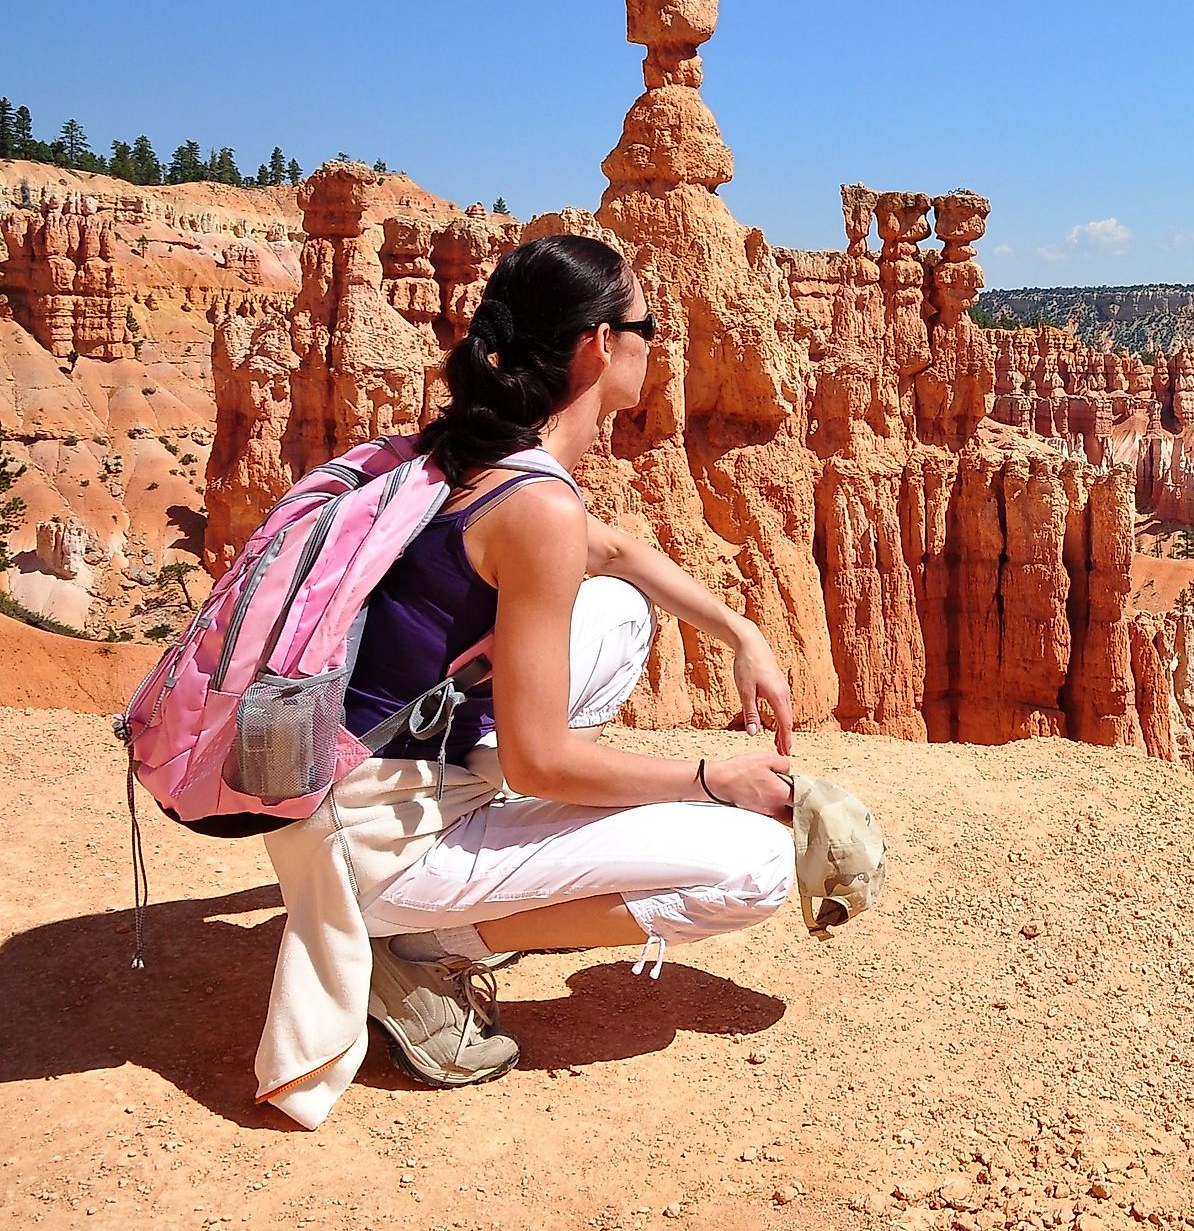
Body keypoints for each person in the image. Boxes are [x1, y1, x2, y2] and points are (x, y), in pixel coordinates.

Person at [257, 234, 799, 1120]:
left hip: (349, 783)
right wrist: (712, 783)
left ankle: (462, 870)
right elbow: (545, 764)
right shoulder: (538, 505)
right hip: (383, 837)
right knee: (756, 865)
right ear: (597, 344)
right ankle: (422, 945)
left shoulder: (480, 450)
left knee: (620, 613)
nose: (652, 343)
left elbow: (617, 550)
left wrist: (742, 630)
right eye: (645, 325)